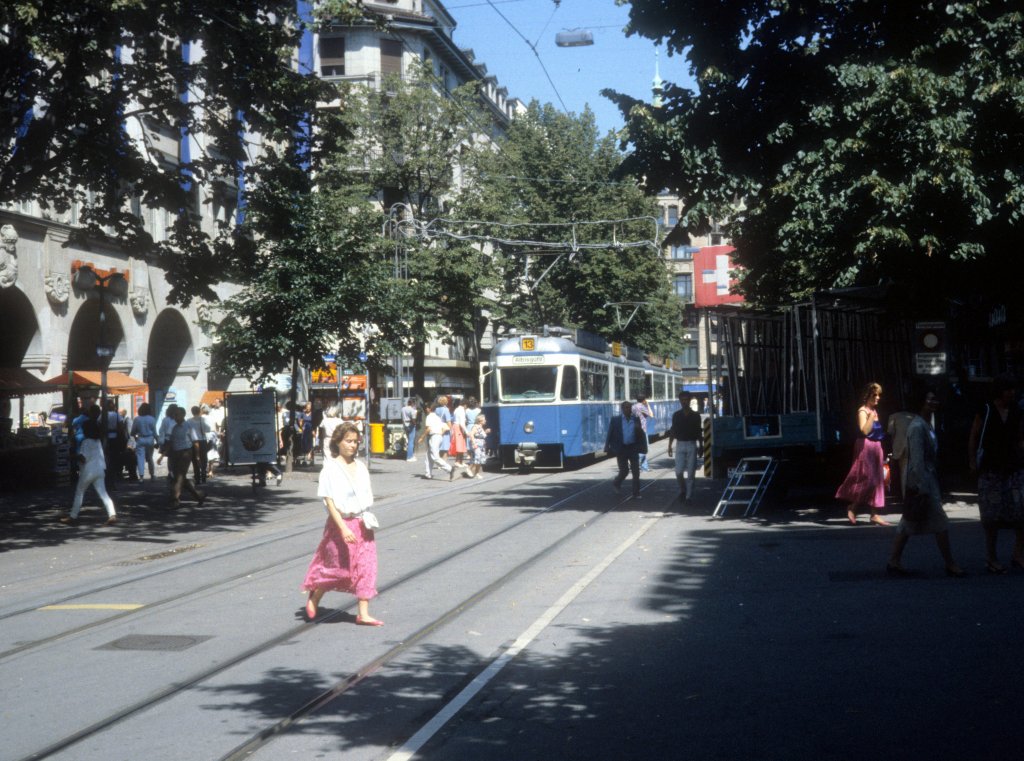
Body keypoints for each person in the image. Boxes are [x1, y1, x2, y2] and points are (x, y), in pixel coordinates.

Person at [301, 422, 382, 626]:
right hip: (341, 524)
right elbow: (329, 502)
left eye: (355, 441)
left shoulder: (361, 467)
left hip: (363, 523)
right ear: (337, 442)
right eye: (348, 441)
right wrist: (344, 528)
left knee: (366, 567)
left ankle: (363, 613)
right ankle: (315, 596)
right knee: (338, 568)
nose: (352, 445)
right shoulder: (330, 469)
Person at [886, 389, 965, 577]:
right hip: (922, 481)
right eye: (930, 399)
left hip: (928, 479)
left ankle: (894, 560)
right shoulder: (917, 427)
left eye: (935, 399)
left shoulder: (927, 424)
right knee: (939, 521)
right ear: (921, 402)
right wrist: (922, 487)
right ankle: (950, 563)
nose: (934, 402)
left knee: (909, 523)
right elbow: (917, 461)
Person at [968, 373, 1024, 574]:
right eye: (1008, 389)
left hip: (1014, 468)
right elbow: (974, 436)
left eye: (1013, 389)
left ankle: (1018, 554)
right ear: (1000, 390)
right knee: (991, 517)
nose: (1012, 393)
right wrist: (972, 461)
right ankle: (991, 557)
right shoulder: (986, 410)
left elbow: (1019, 437)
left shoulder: (1016, 410)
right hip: (991, 469)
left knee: (1021, 511)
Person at [835, 382, 890, 526]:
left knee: (878, 480)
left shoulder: (873, 411)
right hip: (865, 446)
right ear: (868, 395)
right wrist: (871, 416)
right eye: (875, 395)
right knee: (868, 479)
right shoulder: (863, 411)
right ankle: (852, 507)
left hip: (876, 446)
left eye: (879, 395)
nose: (878, 398)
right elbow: (864, 431)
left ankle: (874, 514)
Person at [59, 405, 117, 526]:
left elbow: (83, 458)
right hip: (100, 469)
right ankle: (112, 514)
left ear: (86, 430)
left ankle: (73, 516)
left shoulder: (86, 442)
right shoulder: (98, 442)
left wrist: (71, 457)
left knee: (79, 492)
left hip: (88, 471)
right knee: (103, 493)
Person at [605, 400, 647, 498]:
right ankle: (616, 482)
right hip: (621, 448)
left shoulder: (636, 419)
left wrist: (643, 447)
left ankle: (636, 493)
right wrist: (607, 445)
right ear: (622, 409)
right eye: (626, 408)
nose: (628, 410)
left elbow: (641, 435)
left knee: (636, 471)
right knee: (624, 471)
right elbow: (610, 433)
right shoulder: (615, 420)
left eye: (630, 408)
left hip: (633, 448)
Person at [667, 390, 702, 502]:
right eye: (682, 400)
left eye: (686, 400)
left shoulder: (696, 416)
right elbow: (673, 431)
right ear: (680, 401)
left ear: (690, 401)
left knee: (691, 473)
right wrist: (669, 445)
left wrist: (701, 446)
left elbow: (698, 432)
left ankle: (688, 496)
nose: (684, 402)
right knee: (678, 471)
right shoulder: (676, 415)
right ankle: (683, 489)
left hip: (692, 444)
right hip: (680, 444)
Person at [168, 406, 205, 508]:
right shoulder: (174, 428)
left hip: (186, 453)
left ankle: (175, 499)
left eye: (177, 415)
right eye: (174, 415)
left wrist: (197, 456)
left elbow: (195, 442)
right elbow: (172, 443)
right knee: (179, 477)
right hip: (176, 454)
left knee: (179, 477)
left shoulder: (188, 426)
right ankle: (198, 495)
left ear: (183, 415)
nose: (175, 417)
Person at [887, 406, 916, 498]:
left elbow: (890, 432)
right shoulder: (914, 416)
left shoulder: (893, 416)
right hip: (913, 446)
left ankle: (905, 499)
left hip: (900, 448)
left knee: (903, 473)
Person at [423, 399, 454, 480]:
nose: (426, 409)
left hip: (434, 437)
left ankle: (449, 469)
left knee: (435, 457)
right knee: (428, 456)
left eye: (427, 408)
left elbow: (428, 429)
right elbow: (444, 425)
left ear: (429, 409)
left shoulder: (429, 417)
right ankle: (428, 474)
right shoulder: (436, 417)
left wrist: (421, 437)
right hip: (438, 436)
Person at [131, 403, 158, 480]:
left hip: (140, 439)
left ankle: (141, 476)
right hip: (150, 439)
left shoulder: (137, 419)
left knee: (140, 458)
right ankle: (152, 475)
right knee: (150, 458)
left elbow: (133, 432)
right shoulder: (152, 419)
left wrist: (136, 438)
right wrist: (157, 441)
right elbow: (155, 432)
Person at [187, 405, 212, 485]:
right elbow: (208, 429)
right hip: (202, 441)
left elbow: (187, 432)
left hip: (193, 442)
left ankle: (197, 477)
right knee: (204, 459)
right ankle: (204, 476)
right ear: (199, 411)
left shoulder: (188, 421)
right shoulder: (203, 419)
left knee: (195, 460)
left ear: (192, 412)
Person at [633, 394, 654, 471]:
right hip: (642, 430)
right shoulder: (642, 407)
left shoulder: (633, 406)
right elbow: (651, 415)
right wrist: (648, 405)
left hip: (635, 429)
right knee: (643, 449)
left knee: (641, 448)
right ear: (644, 400)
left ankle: (644, 467)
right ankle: (635, 464)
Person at [467, 412, 490, 479]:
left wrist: (486, 432)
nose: (485, 421)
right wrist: (474, 443)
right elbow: (471, 435)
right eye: (484, 420)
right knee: (476, 458)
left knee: (480, 459)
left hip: (481, 445)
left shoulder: (481, 427)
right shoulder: (476, 426)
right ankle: (469, 468)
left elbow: (481, 435)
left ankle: (477, 473)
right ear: (480, 421)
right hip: (477, 444)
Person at [401, 397, 419, 462]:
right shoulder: (412, 410)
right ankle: (409, 457)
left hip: (405, 424)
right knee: (411, 441)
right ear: (413, 403)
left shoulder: (403, 409)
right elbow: (413, 419)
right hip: (411, 425)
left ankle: (410, 454)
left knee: (409, 440)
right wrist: (414, 424)